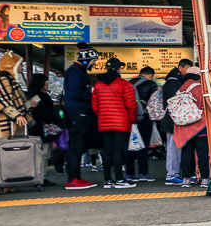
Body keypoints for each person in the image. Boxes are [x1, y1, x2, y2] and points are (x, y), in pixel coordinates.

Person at [91, 57, 137, 189]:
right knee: (118, 151)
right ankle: (120, 180)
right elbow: (131, 105)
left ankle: (107, 180)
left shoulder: (98, 85)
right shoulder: (124, 84)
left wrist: (103, 116)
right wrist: (132, 120)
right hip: (121, 123)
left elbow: (95, 106)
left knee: (107, 151)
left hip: (104, 123)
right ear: (118, 69)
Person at [173, 65, 211, 188]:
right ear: (200, 76)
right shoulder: (202, 89)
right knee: (202, 154)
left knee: (186, 153)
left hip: (183, 128)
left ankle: (186, 179)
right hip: (200, 126)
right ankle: (204, 180)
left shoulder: (181, 89)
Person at [63, 43, 99, 189]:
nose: (94, 63)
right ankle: (72, 179)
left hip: (78, 112)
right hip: (78, 113)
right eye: (93, 60)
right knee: (76, 146)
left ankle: (76, 177)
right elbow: (74, 93)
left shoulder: (77, 71)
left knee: (78, 146)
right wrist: (92, 95)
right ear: (86, 58)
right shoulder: (75, 72)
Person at [25, 73, 60, 187]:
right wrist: (55, 119)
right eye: (46, 82)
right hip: (42, 129)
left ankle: (36, 177)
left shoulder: (29, 95)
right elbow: (45, 113)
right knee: (44, 154)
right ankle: (40, 178)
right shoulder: (40, 96)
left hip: (32, 129)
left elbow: (28, 109)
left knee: (36, 154)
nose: (47, 84)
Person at [125, 66, 158, 182]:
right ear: (150, 75)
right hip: (145, 117)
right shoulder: (151, 84)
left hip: (129, 118)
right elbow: (155, 102)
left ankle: (129, 173)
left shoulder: (128, 83)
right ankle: (143, 173)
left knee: (131, 145)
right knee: (143, 145)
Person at [160, 58, 190, 186]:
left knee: (176, 148)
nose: (188, 71)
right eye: (187, 68)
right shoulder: (173, 82)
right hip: (173, 121)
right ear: (180, 68)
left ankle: (175, 174)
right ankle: (172, 175)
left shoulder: (174, 81)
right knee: (173, 148)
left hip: (174, 121)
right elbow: (175, 101)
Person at [0, 52, 31, 139]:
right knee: (5, 146)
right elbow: (1, 102)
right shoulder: (3, 79)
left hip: (10, 121)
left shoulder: (9, 79)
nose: (22, 67)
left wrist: (29, 104)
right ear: (12, 65)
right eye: (20, 64)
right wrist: (16, 115)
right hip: (5, 121)